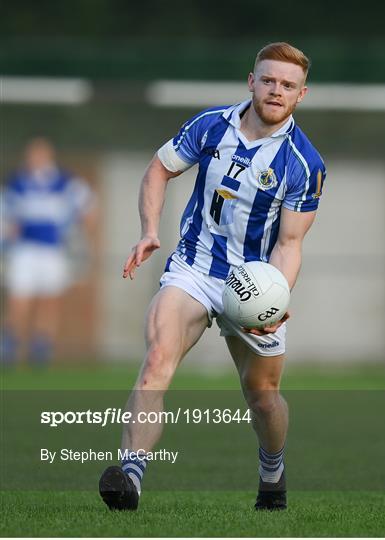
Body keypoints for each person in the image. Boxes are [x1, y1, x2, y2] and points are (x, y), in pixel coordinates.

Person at [99, 42, 326, 511]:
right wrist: (148, 231)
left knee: (263, 400)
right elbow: (160, 169)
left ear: (302, 94)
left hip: (253, 286)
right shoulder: (211, 125)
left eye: (288, 85)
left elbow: (289, 245)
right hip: (194, 268)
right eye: (268, 80)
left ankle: (272, 468)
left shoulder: (304, 164)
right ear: (251, 80)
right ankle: (131, 477)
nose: (276, 90)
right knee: (157, 358)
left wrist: (275, 303)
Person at [1, 138, 97, 366]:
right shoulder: (17, 183)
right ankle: (9, 344)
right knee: (18, 299)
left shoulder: (64, 182)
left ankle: (41, 348)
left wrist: (79, 236)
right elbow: (6, 216)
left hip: (54, 250)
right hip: (24, 250)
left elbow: (89, 208)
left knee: (49, 300)